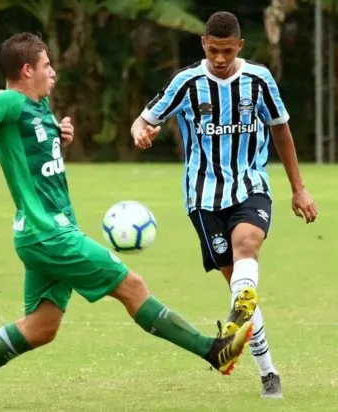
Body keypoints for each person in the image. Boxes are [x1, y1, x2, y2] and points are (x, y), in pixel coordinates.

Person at [0, 32, 254, 407]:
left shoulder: (38, 108)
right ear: (27, 70)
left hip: (43, 235)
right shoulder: (8, 100)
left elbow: (34, 151)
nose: (53, 72)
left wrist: (60, 139)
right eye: (46, 65)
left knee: (41, 328)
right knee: (133, 287)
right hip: (50, 235)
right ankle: (213, 352)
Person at [130, 11, 319, 398]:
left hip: (251, 185)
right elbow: (144, 120)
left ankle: (239, 330)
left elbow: (281, 130)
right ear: (203, 44)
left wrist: (299, 188)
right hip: (203, 199)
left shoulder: (259, 80)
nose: (220, 58)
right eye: (214, 50)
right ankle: (268, 372)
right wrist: (142, 133)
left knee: (248, 246)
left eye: (227, 51)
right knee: (238, 285)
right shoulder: (186, 82)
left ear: (240, 47)